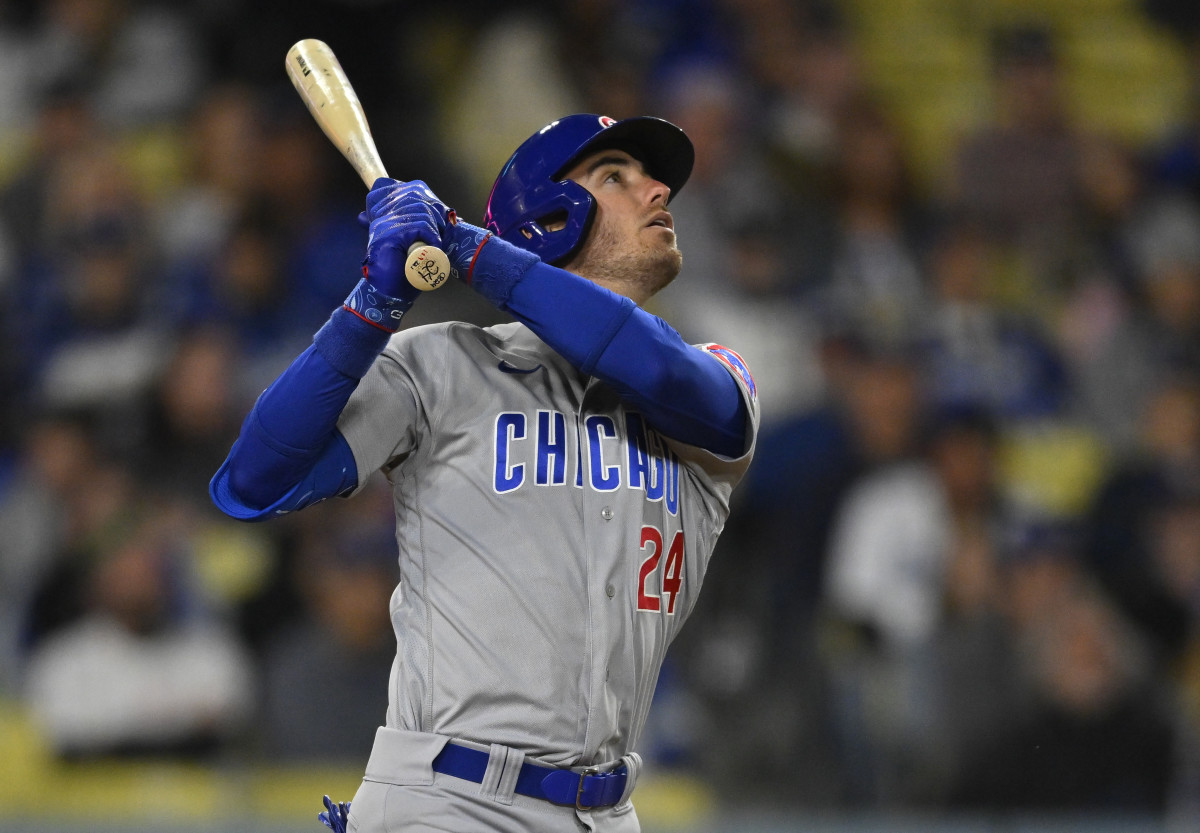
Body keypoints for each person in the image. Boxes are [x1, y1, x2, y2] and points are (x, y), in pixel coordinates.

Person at [210, 114, 759, 832]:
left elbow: (652, 365)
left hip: (609, 808)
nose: (659, 189)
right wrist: (370, 308)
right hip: (450, 798)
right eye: (616, 175)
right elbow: (256, 480)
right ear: (549, 217)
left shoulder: (715, 379)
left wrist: (468, 249)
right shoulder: (441, 364)